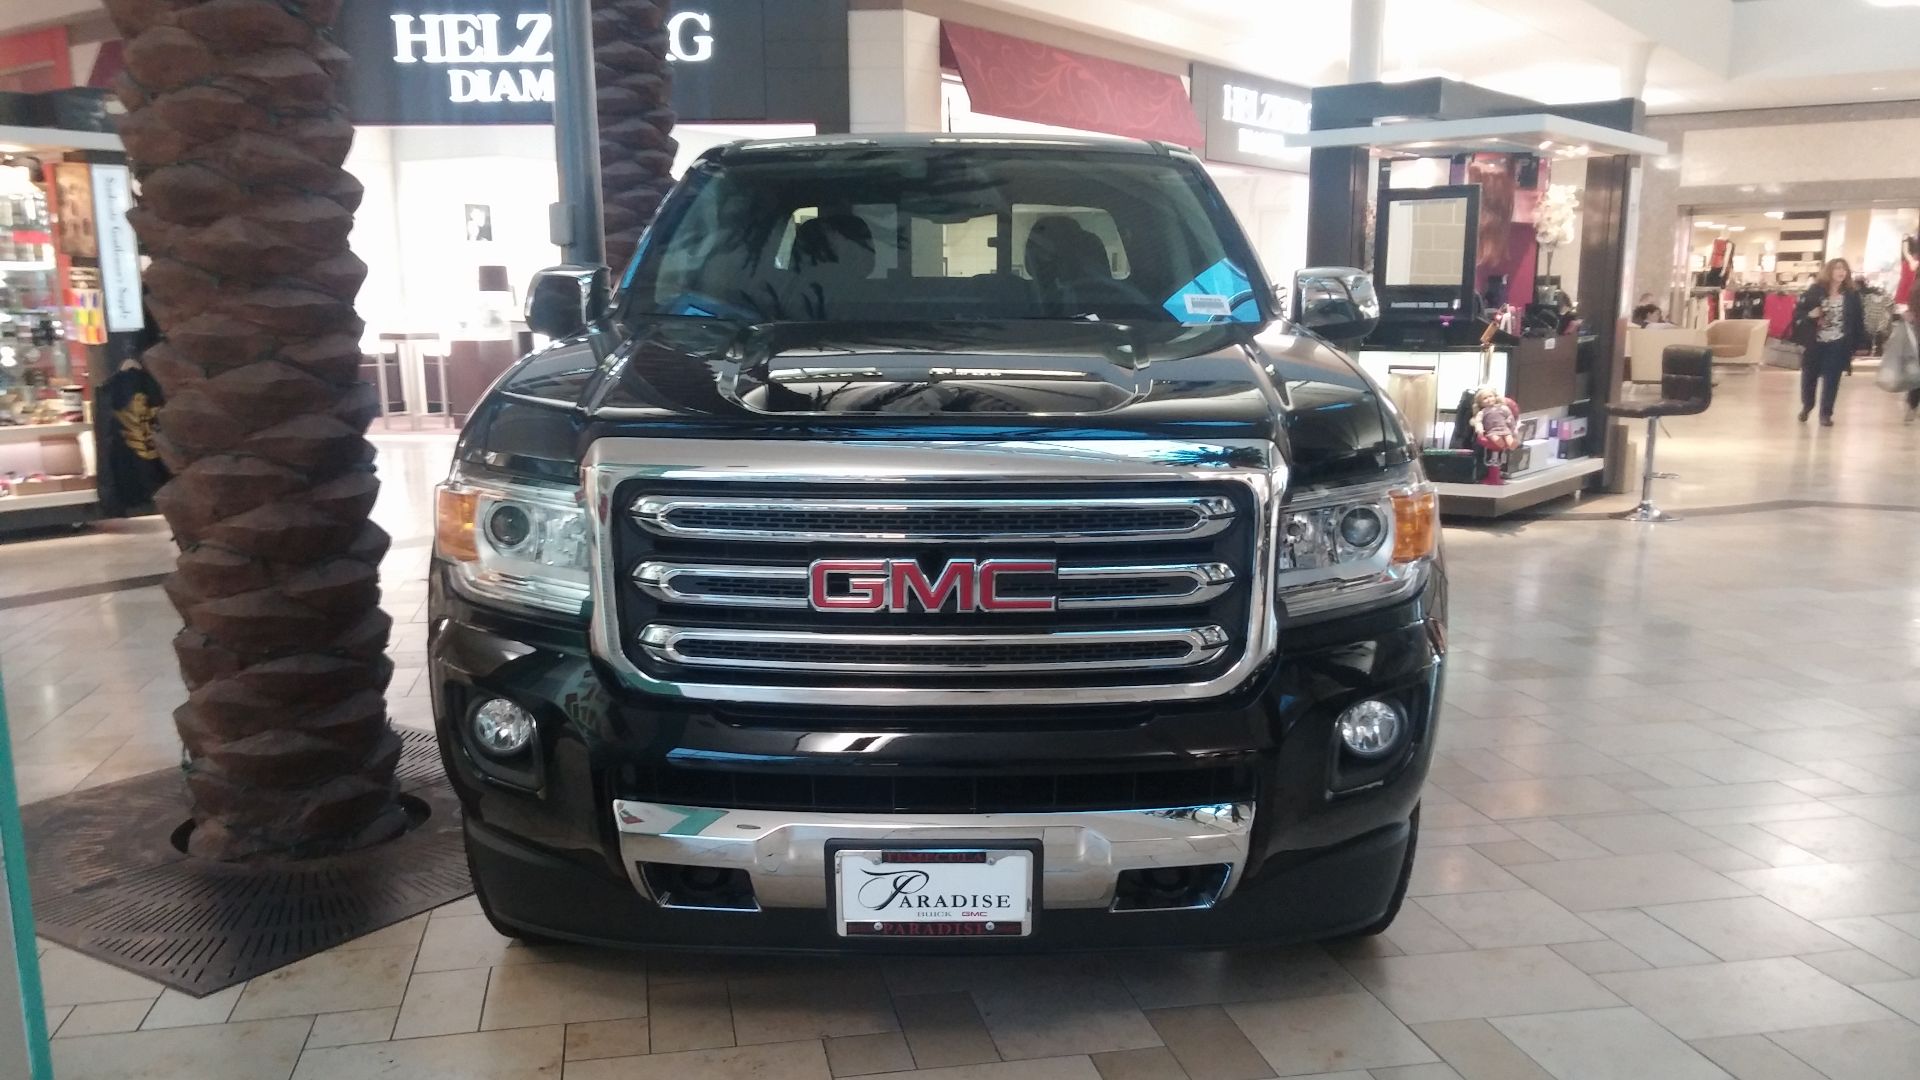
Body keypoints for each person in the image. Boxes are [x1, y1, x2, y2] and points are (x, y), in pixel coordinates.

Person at [1795, 258, 1868, 427]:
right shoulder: (1815, 290)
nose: (1841, 272)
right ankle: (1807, 406)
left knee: (1832, 379)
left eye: (1844, 269)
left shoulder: (1851, 294)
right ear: (1829, 271)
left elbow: (1857, 320)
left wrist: (1858, 345)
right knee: (1809, 377)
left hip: (1838, 342)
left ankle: (1825, 414)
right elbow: (1799, 313)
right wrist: (1810, 316)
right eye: (1837, 268)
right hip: (1816, 341)